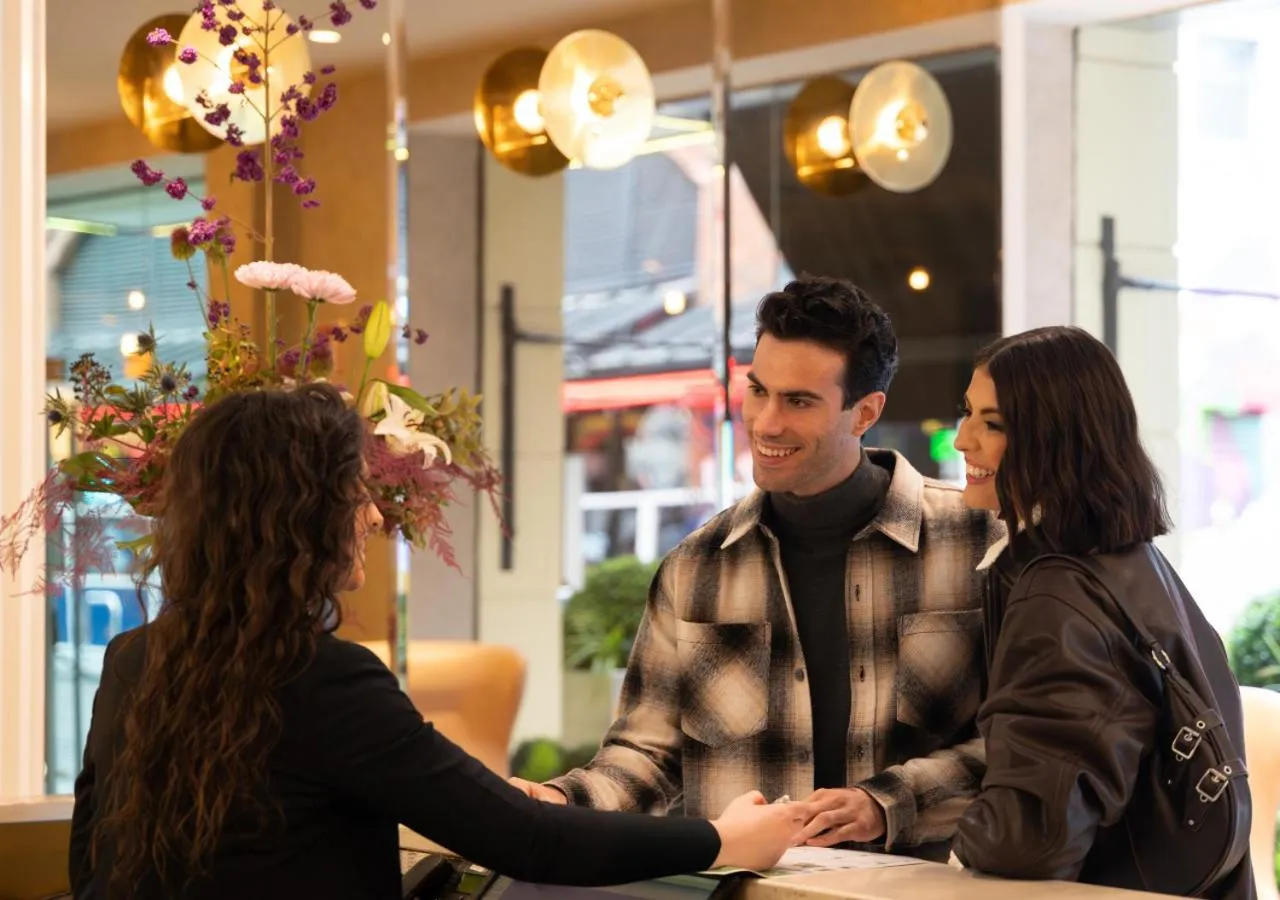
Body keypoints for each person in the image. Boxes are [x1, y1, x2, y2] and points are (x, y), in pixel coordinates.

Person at [68, 384, 807, 900]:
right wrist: (722, 840)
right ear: (301, 517)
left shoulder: (133, 659)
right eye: (356, 492)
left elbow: (89, 859)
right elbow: (528, 840)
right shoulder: (324, 680)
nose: (372, 517)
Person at [513, 275, 1002, 860]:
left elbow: (1023, 742)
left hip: (921, 887)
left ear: (865, 412)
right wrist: (556, 802)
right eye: (758, 390)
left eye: (799, 401)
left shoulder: (979, 543)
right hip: (746, 889)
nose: (766, 423)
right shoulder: (696, 567)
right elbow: (648, 754)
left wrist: (887, 803)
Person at [948, 326, 1255, 898]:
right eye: (967, 413)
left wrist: (945, 847)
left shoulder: (1058, 593)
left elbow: (1030, 838)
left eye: (994, 424)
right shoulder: (1133, 562)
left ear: (1056, 438)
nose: (963, 440)